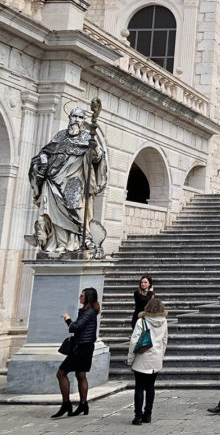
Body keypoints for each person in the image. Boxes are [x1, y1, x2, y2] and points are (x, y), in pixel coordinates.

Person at [26, 107, 108, 257]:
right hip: (53, 181)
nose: (76, 120)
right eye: (74, 116)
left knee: (76, 211)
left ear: (83, 121)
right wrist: (43, 158)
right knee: (52, 213)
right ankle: (60, 243)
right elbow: (46, 152)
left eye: (80, 117)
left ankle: (78, 242)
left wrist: (94, 148)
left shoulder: (87, 138)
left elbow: (97, 159)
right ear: (69, 118)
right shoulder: (60, 136)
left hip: (74, 183)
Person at [52, 287, 100, 419]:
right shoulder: (88, 311)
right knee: (80, 374)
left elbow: (76, 327)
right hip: (85, 346)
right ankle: (83, 404)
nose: (80, 297)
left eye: (82, 295)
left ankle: (66, 403)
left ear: (88, 298)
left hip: (81, 347)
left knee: (61, 373)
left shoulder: (88, 312)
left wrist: (67, 319)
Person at [126, 297, 169, 425]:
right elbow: (165, 340)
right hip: (156, 357)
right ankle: (148, 414)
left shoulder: (141, 321)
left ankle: (138, 416)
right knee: (150, 387)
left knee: (139, 387)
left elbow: (134, 341)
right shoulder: (164, 321)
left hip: (142, 357)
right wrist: (161, 355)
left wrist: (130, 358)